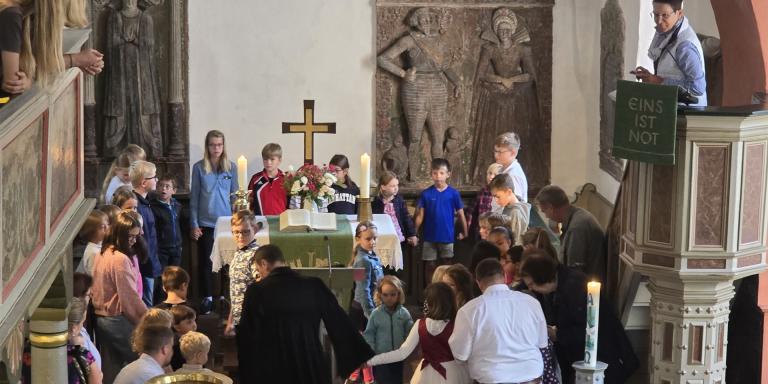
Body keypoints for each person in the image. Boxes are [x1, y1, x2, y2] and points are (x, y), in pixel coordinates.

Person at [236, 244, 374, 383]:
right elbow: (338, 320)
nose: (260, 275)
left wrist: (247, 374)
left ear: (264, 264)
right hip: (310, 362)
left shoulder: (257, 291)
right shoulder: (313, 285)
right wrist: (359, 354)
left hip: (276, 367)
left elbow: (248, 336)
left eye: (258, 269)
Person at [520, 252, 639, 383]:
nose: (530, 288)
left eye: (532, 284)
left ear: (543, 277)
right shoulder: (557, 284)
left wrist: (558, 334)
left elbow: (590, 327)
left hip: (602, 357)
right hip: (579, 357)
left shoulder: (574, 287)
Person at [377, 7, 461, 182]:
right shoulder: (409, 40)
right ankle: (412, 176)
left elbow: (445, 67)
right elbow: (382, 59)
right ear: (416, 22)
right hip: (415, 89)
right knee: (415, 136)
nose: (427, 23)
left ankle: (440, 178)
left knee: (438, 136)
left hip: (437, 87)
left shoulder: (439, 41)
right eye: (423, 20)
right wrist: (403, 73)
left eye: (429, 20)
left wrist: (457, 83)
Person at [470, 8, 544, 189]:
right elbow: (481, 74)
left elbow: (530, 75)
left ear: (512, 30)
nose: (504, 33)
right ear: (496, 31)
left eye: (507, 30)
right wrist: (500, 80)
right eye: (501, 30)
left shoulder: (522, 49)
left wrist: (512, 79)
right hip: (496, 93)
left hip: (517, 94)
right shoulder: (490, 49)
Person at [449, 259, 548, 384]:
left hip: (492, 378)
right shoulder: (531, 302)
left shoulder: (469, 310)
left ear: (478, 283)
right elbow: (542, 343)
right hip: (531, 377)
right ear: (505, 277)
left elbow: (460, 355)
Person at [367, 282, 470, 384]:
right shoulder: (457, 324)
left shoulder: (420, 325)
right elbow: (462, 354)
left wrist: (370, 360)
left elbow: (402, 353)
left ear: (429, 303)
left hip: (425, 373)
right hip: (451, 373)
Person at [0, 0, 103, 97]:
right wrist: (75, 59)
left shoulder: (29, 16)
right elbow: (13, 83)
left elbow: (28, 65)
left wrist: (79, 60)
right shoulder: (11, 15)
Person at [92, 211, 148, 383]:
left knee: (112, 367)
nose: (134, 240)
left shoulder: (103, 252)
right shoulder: (120, 259)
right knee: (142, 362)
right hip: (117, 319)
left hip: (102, 319)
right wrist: (148, 318)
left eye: (136, 236)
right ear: (119, 234)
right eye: (130, 237)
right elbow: (129, 297)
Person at [102, 0, 163, 158]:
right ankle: (117, 150)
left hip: (142, 75)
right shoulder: (115, 18)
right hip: (120, 74)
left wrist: (134, 40)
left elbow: (149, 44)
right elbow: (110, 44)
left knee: (142, 109)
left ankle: (145, 149)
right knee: (121, 107)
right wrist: (124, 42)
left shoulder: (145, 19)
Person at [190, 130, 238, 314]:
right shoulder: (199, 167)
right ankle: (208, 297)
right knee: (207, 262)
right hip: (206, 222)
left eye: (219, 144)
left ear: (223, 146)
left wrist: (237, 220)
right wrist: (194, 224)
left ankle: (224, 297)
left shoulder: (231, 167)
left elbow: (234, 197)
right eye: (212, 145)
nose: (216, 148)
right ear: (207, 146)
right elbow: (194, 198)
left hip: (227, 222)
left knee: (227, 261)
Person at [633, 0, 707, 106]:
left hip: (687, 115)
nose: (658, 21)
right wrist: (650, 77)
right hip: (670, 108)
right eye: (656, 15)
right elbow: (672, 73)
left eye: (665, 15)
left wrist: (658, 81)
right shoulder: (667, 32)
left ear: (679, 14)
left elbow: (697, 88)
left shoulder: (684, 47)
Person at [21, 297, 103, 384]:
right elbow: (97, 379)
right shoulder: (83, 356)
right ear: (74, 328)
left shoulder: (27, 350)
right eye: (82, 323)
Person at [415, 158, 468, 286]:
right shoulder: (426, 194)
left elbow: (461, 214)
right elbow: (420, 215)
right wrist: (414, 232)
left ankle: (447, 288)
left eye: (441, 173)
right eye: (435, 173)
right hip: (429, 236)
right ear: (431, 174)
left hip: (447, 235)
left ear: (448, 174)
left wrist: (465, 232)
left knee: (447, 264)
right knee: (430, 265)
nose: (438, 176)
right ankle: (430, 290)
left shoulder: (453, 193)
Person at [536, 184, 606, 280]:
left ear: (551, 208)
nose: (547, 216)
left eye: (544, 211)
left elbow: (575, 271)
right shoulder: (577, 214)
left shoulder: (577, 229)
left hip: (586, 287)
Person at [348, 221, 383, 384]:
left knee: (363, 346)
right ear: (358, 239)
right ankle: (368, 380)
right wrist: (371, 314)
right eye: (368, 239)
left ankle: (353, 375)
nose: (372, 242)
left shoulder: (370, 256)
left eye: (375, 238)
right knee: (366, 347)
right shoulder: (362, 261)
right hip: (362, 311)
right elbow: (362, 291)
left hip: (369, 308)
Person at [362, 276, 414, 384]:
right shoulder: (376, 314)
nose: (389, 298)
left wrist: (408, 348)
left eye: (393, 294)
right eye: (385, 295)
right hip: (381, 358)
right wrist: (370, 352)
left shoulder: (404, 313)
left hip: (398, 357)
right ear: (380, 295)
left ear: (398, 294)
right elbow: (369, 334)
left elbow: (410, 333)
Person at [372, 171, 418, 293]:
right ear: (383, 187)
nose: (396, 188)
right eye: (392, 185)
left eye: (397, 185)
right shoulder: (375, 201)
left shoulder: (399, 200)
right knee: (383, 269)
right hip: (382, 241)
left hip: (398, 240)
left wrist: (412, 234)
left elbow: (406, 218)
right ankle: (382, 294)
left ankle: (397, 294)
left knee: (397, 271)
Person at [225, 210, 260, 336]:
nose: (240, 236)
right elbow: (235, 291)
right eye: (236, 232)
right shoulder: (238, 253)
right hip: (238, 320)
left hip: (252, 319)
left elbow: (262, 288)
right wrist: (230, 321)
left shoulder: (257, 255)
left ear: (254, 229)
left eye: (245, 232)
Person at [130, 160, 161, 306]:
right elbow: (143, 238)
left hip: (149, 262)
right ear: (143, 183)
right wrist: (150, 264)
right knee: (146, 305)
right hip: (144, 264)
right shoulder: (136, 206)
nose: (157, 180)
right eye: (154, 177)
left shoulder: (145, 201)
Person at [151, 175, 182, 269]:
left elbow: (179, 225)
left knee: (175, 275)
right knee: (162, 276)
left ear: (174, 191)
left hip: (176, 247)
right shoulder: (153, 207)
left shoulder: (177, 206)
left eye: (167, 186)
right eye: (160, 185)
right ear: (157, 188)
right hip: (162, 249)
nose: (163, 188)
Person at [489, 173, 530, 244]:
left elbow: (515, 241)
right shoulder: (510, 206)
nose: (496, 200)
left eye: (498, 196)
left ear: (509, 192)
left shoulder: (515, 212)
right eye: (494, 197)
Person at [248, 143, 288, 215]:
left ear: (280, 160)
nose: (268, 162)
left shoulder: (286, 180)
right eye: (265, 159)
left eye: (272, 159)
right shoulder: (255, 179)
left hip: (282, 223)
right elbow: (249, 203)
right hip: (260, 223)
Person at [467, 163, 503, 241]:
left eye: (495, 174)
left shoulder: (502, 194)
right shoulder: (483, 191)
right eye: (490, 173)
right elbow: (471, 211)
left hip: (496, 231)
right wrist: (467, 229)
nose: (491, 177)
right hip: (482, 231)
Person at [492, 132, 528, 205]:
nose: (496, 155)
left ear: (513, 153)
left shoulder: (513, 175)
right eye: (495, 151)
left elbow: (516, 206)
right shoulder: (503, 169)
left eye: (499, 152)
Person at [77, 210, 110, 275]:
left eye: (108, 224)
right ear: (91, 232)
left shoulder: (100, 244)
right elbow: (96, 275)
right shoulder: (93, 253)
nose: (107, 228)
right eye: (103, 227)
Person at [169, 305, 197, 370]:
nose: (194, 325)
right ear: (177, 327)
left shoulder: (194, 339)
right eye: (189, 322)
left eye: (194, 320)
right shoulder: (175, 347)